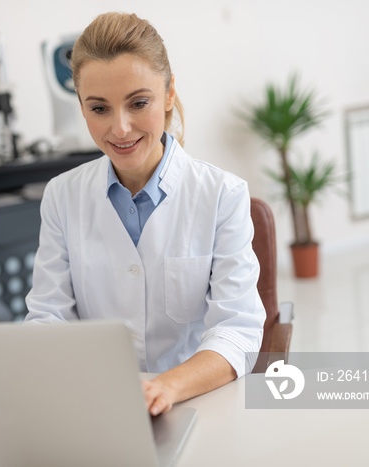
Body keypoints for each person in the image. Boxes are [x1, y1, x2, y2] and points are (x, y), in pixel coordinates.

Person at [24, 12, 265, 416]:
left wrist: (164, 388)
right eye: (99, 108)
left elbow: (237, 331)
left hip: (197, 401)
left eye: (138, 103)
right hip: (98, 405)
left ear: (168, 95)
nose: (120, 128)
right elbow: (48, 319)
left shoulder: (223, 195)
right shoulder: (62, 196)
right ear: (82, 108)